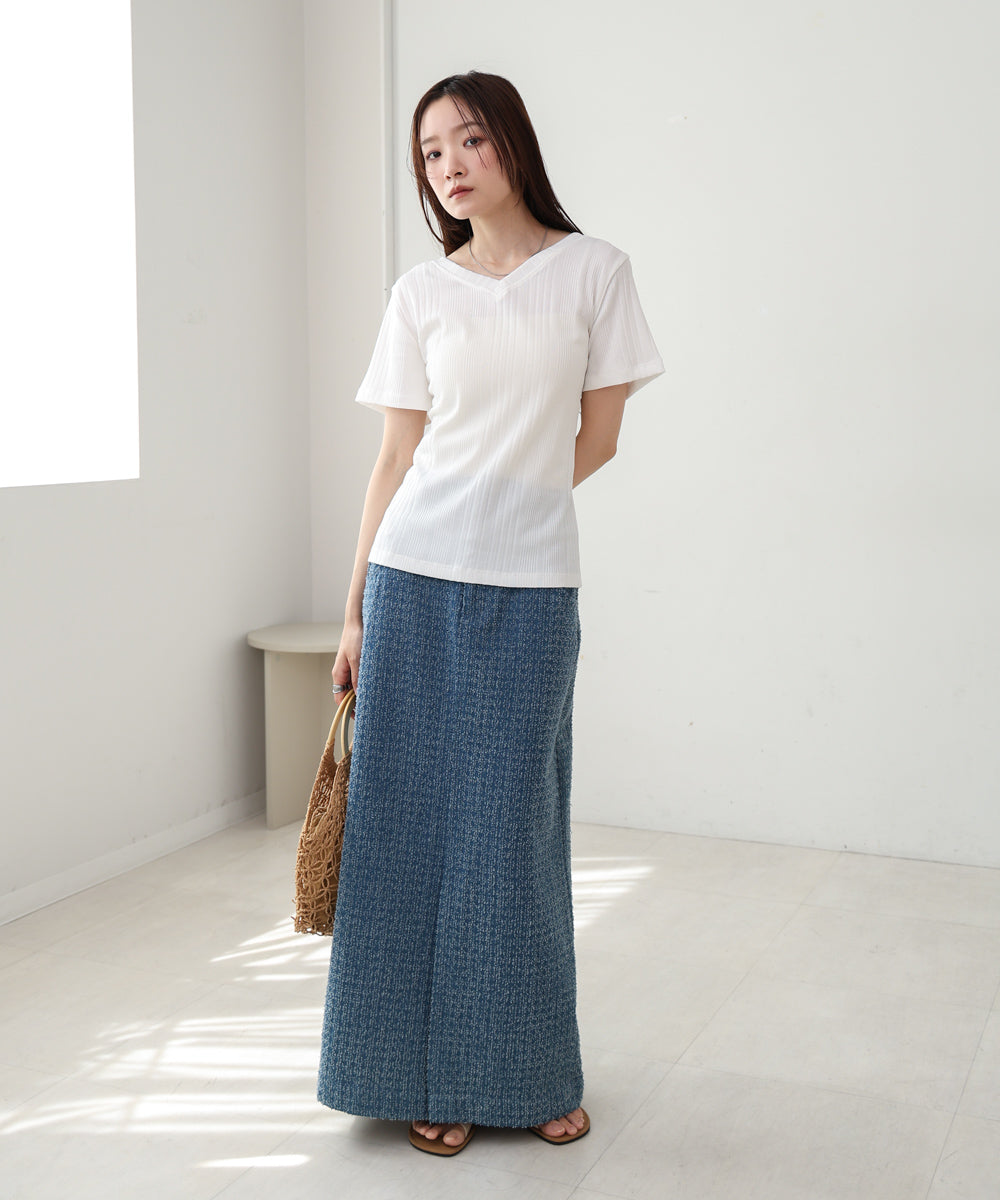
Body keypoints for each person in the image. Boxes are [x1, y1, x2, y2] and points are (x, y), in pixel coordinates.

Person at [317, 69, 664, 1158]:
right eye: (430, 153)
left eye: (469, 140)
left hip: (531, 589)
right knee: (403, 834)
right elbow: (394, 459)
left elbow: (598, 438)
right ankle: (416, 1075)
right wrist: (353, 614)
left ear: (512, 142)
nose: (450, 166)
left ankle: (525, 1070)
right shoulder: (421, 294)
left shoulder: (595, 272)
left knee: (512, 833)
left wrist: (512, 507)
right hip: (410, 579)